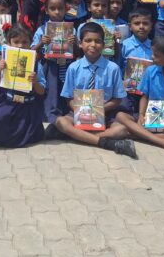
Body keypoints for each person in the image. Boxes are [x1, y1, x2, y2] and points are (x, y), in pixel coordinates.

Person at [52, 22, 137, 157]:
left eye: (97, 41)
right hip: (78, 112)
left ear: (103, 44)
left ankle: (79, 136)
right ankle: (105, 142)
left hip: (105, 113)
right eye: (88, 40)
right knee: (61, 122)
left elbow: (117, 99)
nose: (93, 44)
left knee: (120, 130)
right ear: (80, 44)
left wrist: (99, 109)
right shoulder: (73, 68)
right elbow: (69, 98)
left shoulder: (113, 68)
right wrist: (81, 111)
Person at [0, 25, 46, 148]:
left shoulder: (36, 65)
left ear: (30, 43)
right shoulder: (2, 63)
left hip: (28, 106)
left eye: (25, 42)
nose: (20, 45)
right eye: (16, 42)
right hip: (8, 102)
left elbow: (41, 91)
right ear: (9, 43)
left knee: (29, 133)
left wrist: (35, 82)